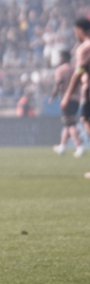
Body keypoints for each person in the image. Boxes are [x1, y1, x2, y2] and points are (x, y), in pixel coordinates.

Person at [60, 17, 90, 176]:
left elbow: (78, 73)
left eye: (75, 31)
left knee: (87, 122)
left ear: (80, 30)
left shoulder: (84, 48)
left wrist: (67, 96)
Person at [49, 50, 84, 156]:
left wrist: (52, 97)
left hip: (66, 99)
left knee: (70, 124)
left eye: (60, 57)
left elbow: (58, 84)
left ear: (64, 58)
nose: (59, 59)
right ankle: (62, 146)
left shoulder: (61, 69)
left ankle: (79, 146)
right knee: (67, 123)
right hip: (76, 99)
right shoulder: (75, 68)